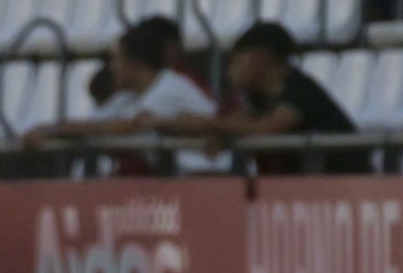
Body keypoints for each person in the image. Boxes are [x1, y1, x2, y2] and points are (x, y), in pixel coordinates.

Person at [140, 20, 368, 174]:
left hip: (347, 187)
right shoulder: (258, 97)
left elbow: (267, 129)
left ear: (261, 57)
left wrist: (207, 124)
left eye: (238, 59)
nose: (232, 68)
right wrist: (203, 128)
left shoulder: (300, 90)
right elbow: (234, 124)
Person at [22, 20, 217, 172]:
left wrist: (52, 130)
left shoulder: (170, 86)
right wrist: (53, 128)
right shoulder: (127, 97)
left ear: (134, 63)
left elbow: (126, 126)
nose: (112, 68)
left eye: (116, 60)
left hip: (216, 177)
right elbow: (94, 124)